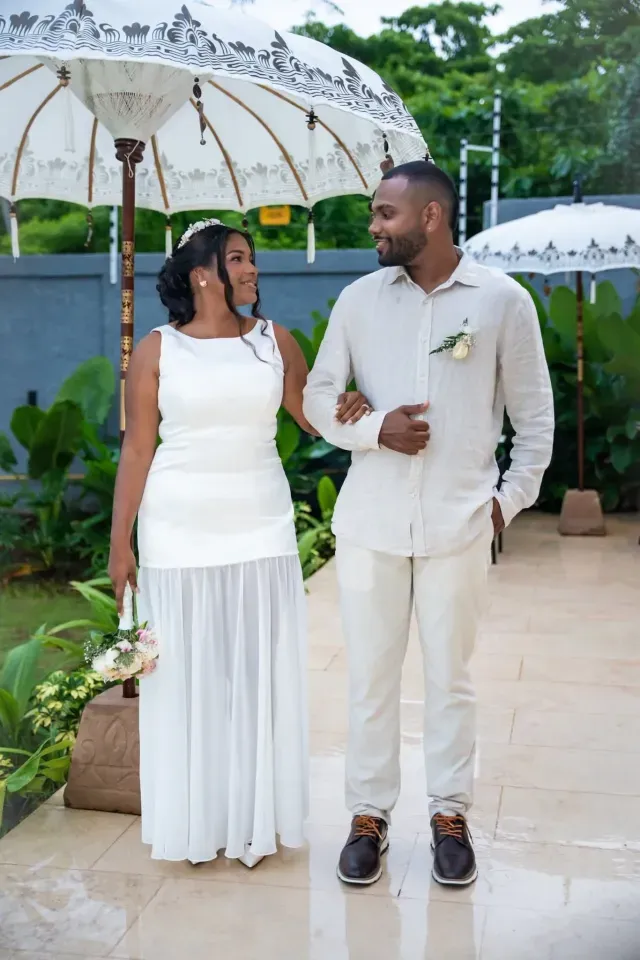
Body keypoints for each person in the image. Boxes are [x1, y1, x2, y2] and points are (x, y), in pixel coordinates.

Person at [303, 162, 554, 887]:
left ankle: (449, 814)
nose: (374, 225)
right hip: (371, 525)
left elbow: (534, 422)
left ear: (431, 217)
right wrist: (374, 428)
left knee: (451, 679)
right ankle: (368, 817)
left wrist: (506, 503)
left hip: (460, 526)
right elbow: (320, 397)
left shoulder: (503, 302)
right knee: (371, 681)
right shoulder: (357, 301)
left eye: (385, 213)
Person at [108, 219, 371, 867]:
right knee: (189, 682)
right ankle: (196, 825)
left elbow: (312, 417)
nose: (253, 270)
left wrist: (354, 409)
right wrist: (121, 544)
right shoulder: (155, 350)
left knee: (256, 678)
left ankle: (256, 824)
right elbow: (138, 448)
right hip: (177, 529)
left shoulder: (273, 341)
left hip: (261, 524)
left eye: (251, 259)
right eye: (238, 259)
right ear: (203, 276)